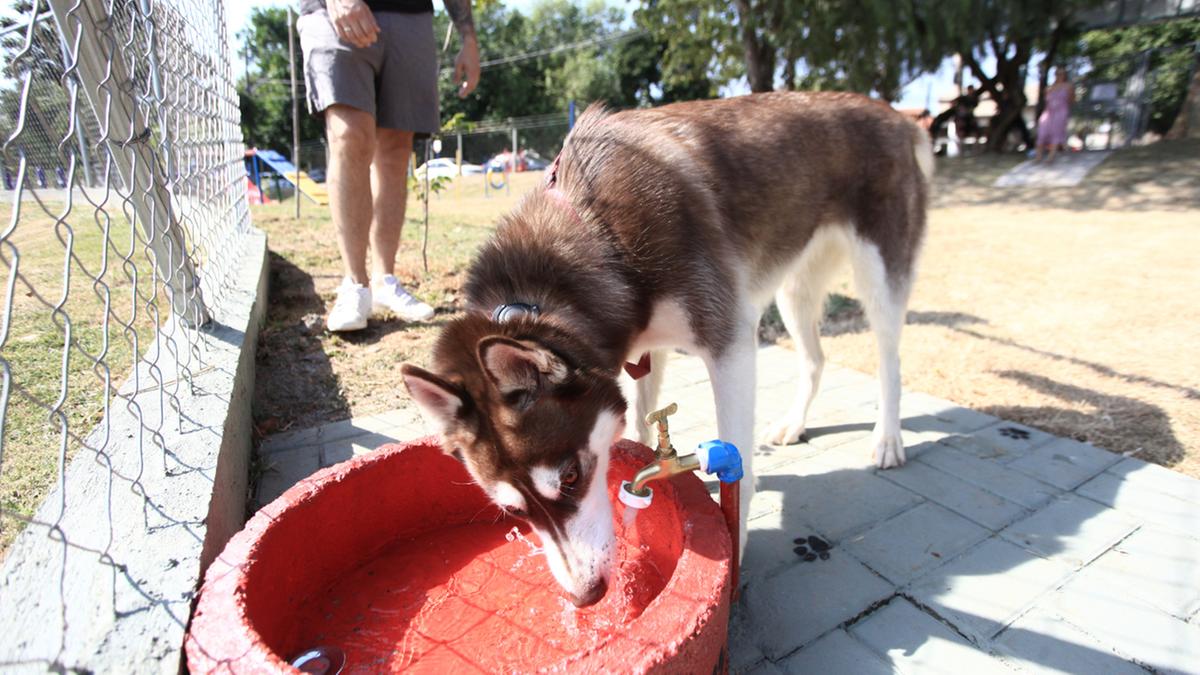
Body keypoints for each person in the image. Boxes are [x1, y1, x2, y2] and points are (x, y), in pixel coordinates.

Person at [298, 0, 480, 331]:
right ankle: (355, 284)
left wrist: (468, 36)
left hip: (411, 16)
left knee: (397, 148)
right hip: (333, 13)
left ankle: (384, 280)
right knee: (349, 134)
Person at [1036, 68, 1074, 163]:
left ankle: (1051, 157)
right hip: (1049, 112)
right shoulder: (1049, 88)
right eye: (1057, 74)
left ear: (1065, 75)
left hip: (1061, 111)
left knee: (1056, 133)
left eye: (1061, 74)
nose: (1059, 76)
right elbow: (1046, 101)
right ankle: (1038, 157)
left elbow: (1071, 100)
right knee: (1042, 132)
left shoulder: (1068, 86)